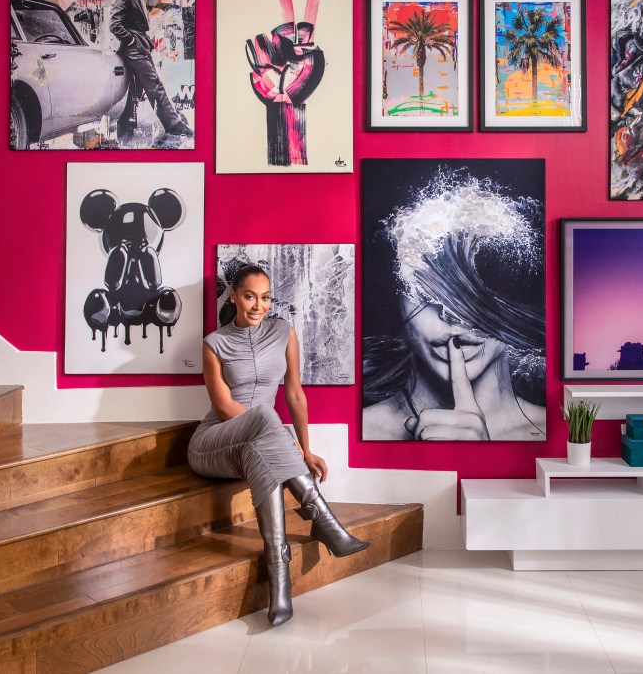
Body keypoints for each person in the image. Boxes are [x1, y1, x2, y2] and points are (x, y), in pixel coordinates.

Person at [188, 264, 368, 627]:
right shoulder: (214, 343)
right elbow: (224, 409)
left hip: (255, 445)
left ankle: (279, 580)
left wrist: (305, 449)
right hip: (213, 443)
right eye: (251, 296)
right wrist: (279, 433)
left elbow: (295, 394)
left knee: (263, 450)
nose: (259, 305)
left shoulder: (284, 332)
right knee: (268, 420)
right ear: (234, 296)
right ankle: (325, 523)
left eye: (266, 297)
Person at [362, 171, 547, 441]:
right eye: (425, 292)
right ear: (398, 298)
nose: (453, 316)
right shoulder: (365, 430)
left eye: (476, 290)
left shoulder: (552, 434)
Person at [109, 0, 193, 140]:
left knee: (136, 89)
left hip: (140, 47)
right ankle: (173, 124)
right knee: (154, 85)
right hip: (134, 49)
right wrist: (131, 41)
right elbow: (114, 25)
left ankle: (126, 129)